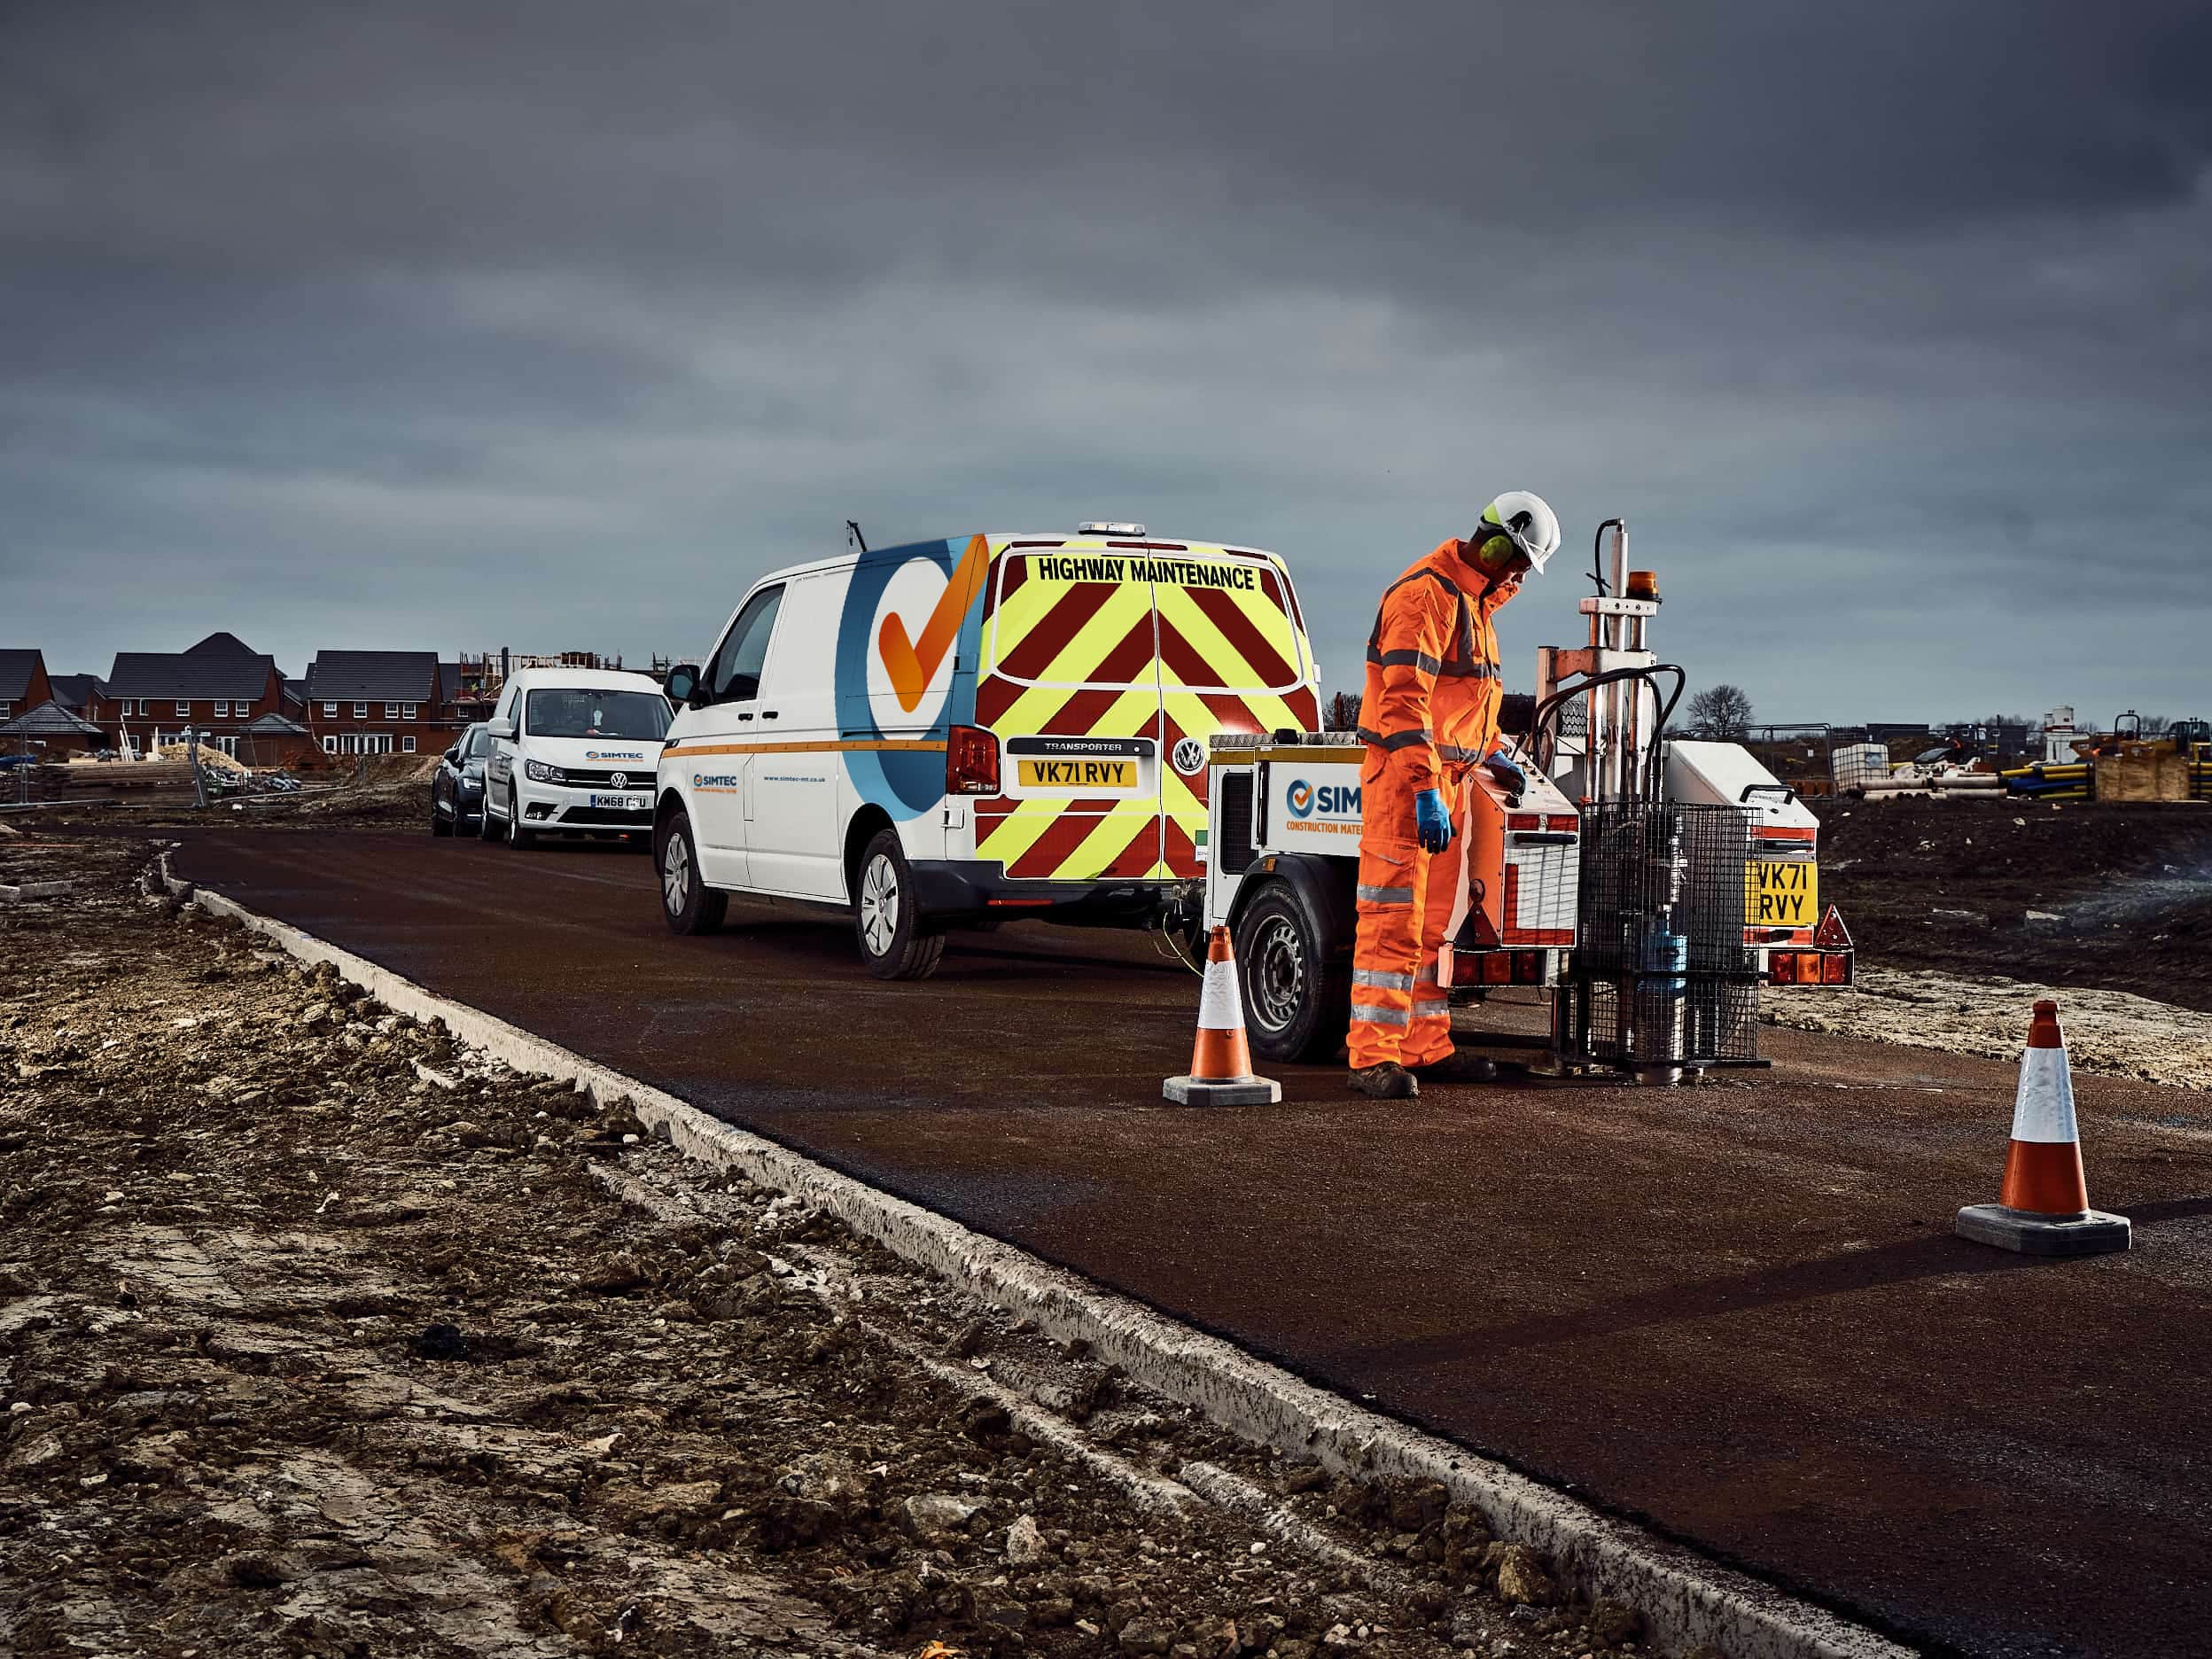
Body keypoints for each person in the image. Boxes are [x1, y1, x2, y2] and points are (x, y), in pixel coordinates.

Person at [1349, 492, 1560, 1099]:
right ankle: (1372, 1057)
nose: (1518, 576)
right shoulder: (1426, 596)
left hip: (1447, 782)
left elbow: (1460, 702)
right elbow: (1403, 702)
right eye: (1517, 563)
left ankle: (1424, 1047)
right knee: (1392, 923)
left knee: (1432, 929)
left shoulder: (1470, 605)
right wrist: (1424, 789)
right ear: (1495, 548)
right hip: (1406, 782)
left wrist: (1490, 750)